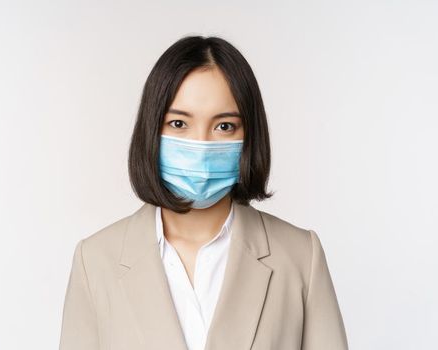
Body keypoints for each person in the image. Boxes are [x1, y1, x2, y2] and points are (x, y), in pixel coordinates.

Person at [60, 35, 348, 350]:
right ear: (152, 130)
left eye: (224, 126)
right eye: (179, 123)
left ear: (249, 136)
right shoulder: (96, 260)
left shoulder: (300, 257)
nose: (201, 145)